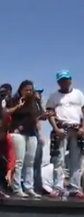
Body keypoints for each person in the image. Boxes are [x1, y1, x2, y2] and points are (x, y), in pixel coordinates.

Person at [46, 70, 84, 199]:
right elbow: (50, 113)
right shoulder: (54, 96)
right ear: (58, 82)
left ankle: (75, 188)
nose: (64, 82)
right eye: (61, 80)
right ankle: (58, 187)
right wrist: (56, 128)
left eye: (66, 79)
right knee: (58, 160)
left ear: (71, 80)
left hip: (77, 129)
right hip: (61, 129)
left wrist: (83, 128)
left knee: (76, 160)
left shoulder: (79, 94)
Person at [5, 80, 43, 198]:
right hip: (18, 133)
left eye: (31, 90)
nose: (29, 92)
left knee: (30, 162)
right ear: (21, 90)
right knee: (19, 162)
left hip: (31, 134)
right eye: (26, 90)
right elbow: (6, 112)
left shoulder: (34, 103)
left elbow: (38, 117)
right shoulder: (14, 100)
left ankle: (29, 187)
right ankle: (17, 188)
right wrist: (18, 106)